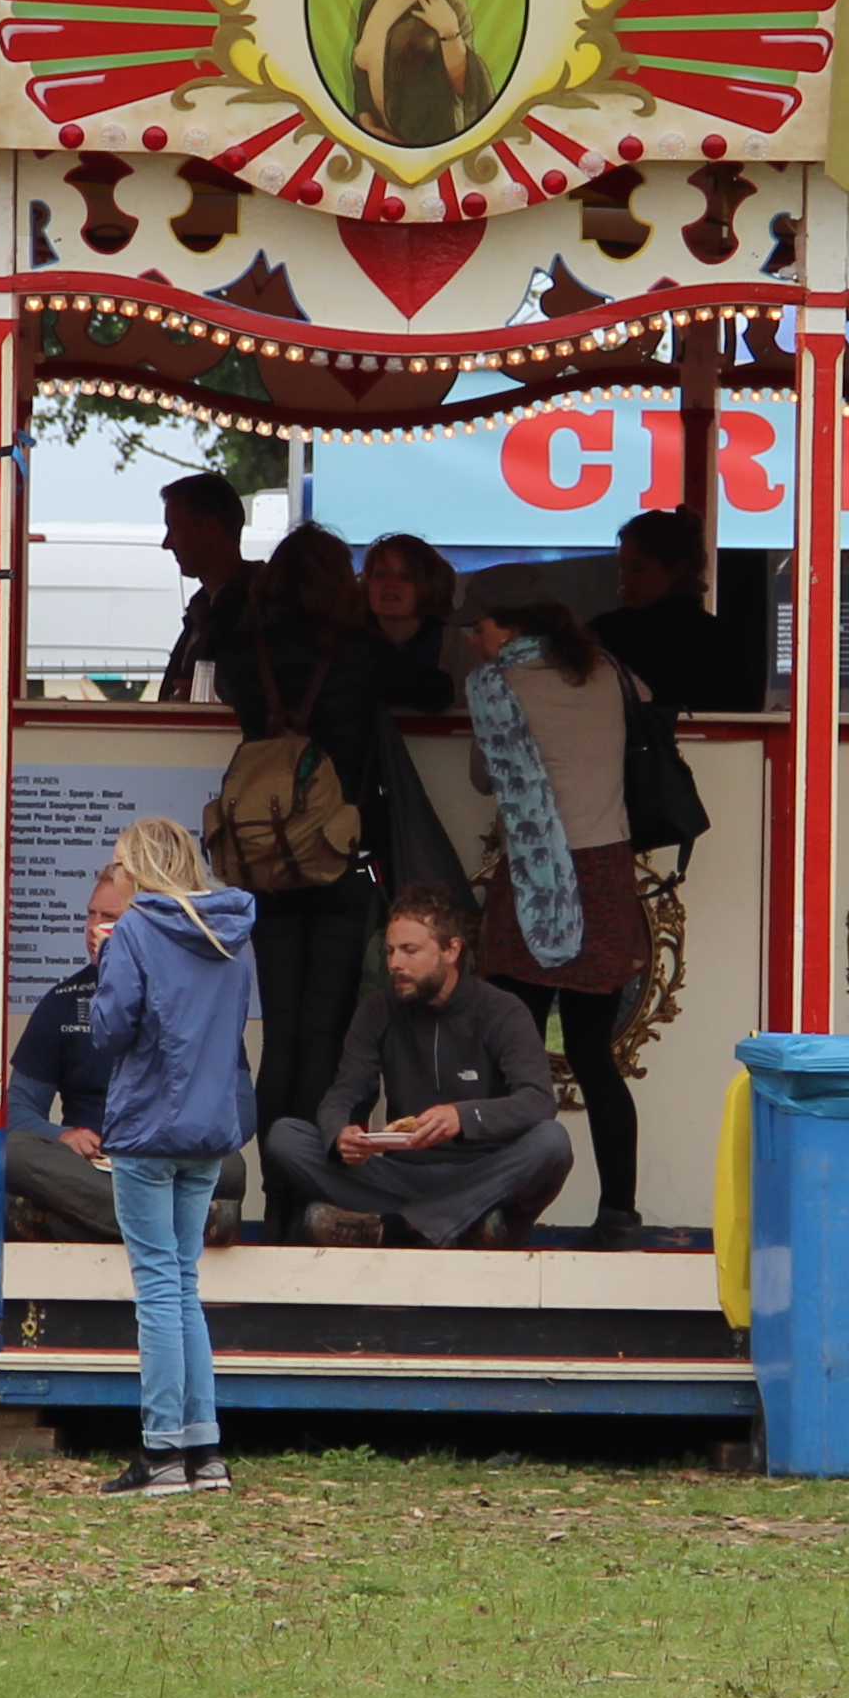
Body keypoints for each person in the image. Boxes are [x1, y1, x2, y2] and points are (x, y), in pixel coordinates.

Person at [448, 566, 653, 1240]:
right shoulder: (612, 671)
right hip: (605, 871)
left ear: (510, 625)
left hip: (533, 876)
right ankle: (619, 1211)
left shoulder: (496, 686)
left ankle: (492, 1204)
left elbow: (486, 778)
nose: (473, 643)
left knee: (511, 1051)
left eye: (478, 629)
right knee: (594, 1054)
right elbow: (648, 709)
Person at [78, 818, 258, 1499]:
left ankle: (159, 1452)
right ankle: (203, 1449)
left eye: (119, 865)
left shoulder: (137, 933)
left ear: (139, 870)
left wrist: (104, 962)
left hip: (147, 1128)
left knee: (157, 1287)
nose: (114, 875)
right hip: (209, 1129)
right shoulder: (231, 934)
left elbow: (110, 1030)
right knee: (184, 1286)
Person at [211, 521, 395, 1180]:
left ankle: (275, 1187)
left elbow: (230, 691)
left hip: (267, 863)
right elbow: (426, 691)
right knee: (328, 1030)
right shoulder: (361, 652)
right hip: (342, 858)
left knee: (281, 1029)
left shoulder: (242, 654)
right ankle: (311, 1184)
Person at [255, 882, 572, 1247]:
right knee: (285, 1138)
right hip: (400, 1174)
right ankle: (462, 1223)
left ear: (451, 950)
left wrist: (462, 1117)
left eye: (409, 951)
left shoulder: (501, 1010)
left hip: (481, 1172)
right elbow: (345, 1092)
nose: (394, 964)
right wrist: (340, 1133)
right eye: (390, 951)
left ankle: (405, 1228)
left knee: (552, 1142)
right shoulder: (377, 1010)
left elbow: (538, 1100)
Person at [0, 871, 137, 1242]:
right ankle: (171, 1226)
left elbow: (239, 1111)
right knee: (9, 1150)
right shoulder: (64, 1002)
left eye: (109, 918)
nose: (93, 929)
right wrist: (62, 1136)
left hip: (166, 1160)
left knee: (230, 1167)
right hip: (88, 1167)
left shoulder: (189, 997)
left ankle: (94, 1222)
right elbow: (17, 1110)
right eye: (89, 915)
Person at [589, 508, 752, 712]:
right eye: (623, 566)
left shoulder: (605, 633)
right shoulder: (722, 639)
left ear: (676, 569)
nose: (624, 579)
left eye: (639, 569)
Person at [350, 0, 482, 148]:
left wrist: (449, 32)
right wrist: (366, 123)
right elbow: (363, 73)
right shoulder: (370, 3)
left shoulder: (452, 7)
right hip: (378, 146)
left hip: (434, 148)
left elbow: (469, 91)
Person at [151, 472, 249, 704]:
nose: (167, 544)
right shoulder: (205, 610)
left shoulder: (256, 614)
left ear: (210, 528)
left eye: (174, 528)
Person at [360, 532, 464, 714]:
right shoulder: (344, 640)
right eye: (381, 575)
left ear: (429, 585)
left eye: (406, 576)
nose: (390, 584)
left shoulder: (455, 644)